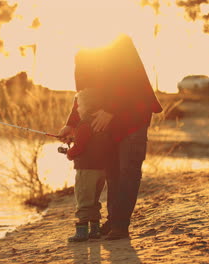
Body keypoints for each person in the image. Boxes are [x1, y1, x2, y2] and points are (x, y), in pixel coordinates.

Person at [59, 34, 163, 240]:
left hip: (134, 116)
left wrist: (110, 109)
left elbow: (131, 82)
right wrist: (71, 124)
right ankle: (114, 219)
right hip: (111, 123)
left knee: (128, 169)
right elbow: (85, 94)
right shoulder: (83, 53)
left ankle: (120, 225)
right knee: (113, 171)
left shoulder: (120, 44)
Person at [64, 49, 114, 242]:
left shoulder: (84, 126)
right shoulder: (103, 125)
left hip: (85, 169)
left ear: (86, 107)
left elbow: (80, 147)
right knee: (94, 199)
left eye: (80, 107)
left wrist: (70, 154)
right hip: (101, 169)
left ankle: (82, 232)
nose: (78, 110)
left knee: (83, 200)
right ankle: (95, 229)